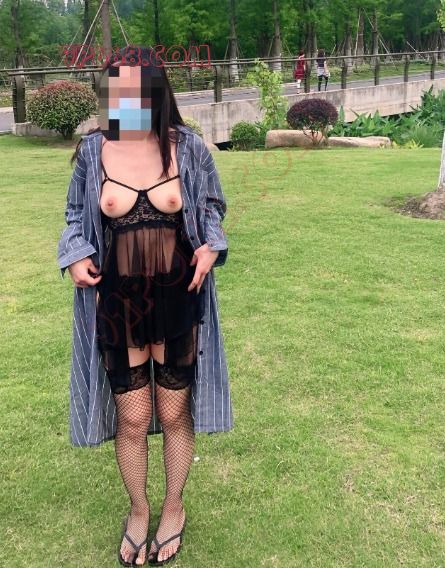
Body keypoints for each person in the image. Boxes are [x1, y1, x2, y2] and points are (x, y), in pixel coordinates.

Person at [57, 45, 233, 566]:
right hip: (118, 304)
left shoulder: (188, 147)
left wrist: (211, 245)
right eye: (117, 88)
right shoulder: (93, 150)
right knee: (132, 418)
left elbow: (212, 208)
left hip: (179, 298)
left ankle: (173, 506)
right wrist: (75, 253)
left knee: (174, 412)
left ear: (156, 91)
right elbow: (74, 217)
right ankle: (139, 510)